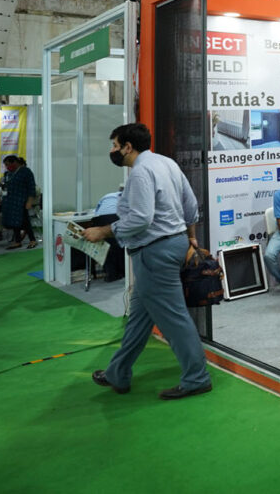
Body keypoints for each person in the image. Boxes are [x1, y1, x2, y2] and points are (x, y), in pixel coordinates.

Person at [83, 123, 212, 399]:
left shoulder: (141, 172)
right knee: (139, 319)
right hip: (171, 245)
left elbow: (142, 218)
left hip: (155, 252)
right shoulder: (167, 163)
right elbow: (191, 205)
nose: (112, 150)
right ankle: (118, 373)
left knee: (174, 319)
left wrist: (104, 231)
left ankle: (197, 378)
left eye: (115, 145)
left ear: (128, 147)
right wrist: (190, 237)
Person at [0, 155, 38, 249]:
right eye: (5, 165)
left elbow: (31, 187)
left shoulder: (26, 171)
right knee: (14, 221)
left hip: (22, 200)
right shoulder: (8, 173)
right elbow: (6, 185)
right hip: (10, 201)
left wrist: (29, 201)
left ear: (15, 162)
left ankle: (32, 240)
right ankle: (17, 241)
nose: (7, 167)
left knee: (25, 221)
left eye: (8, 164)